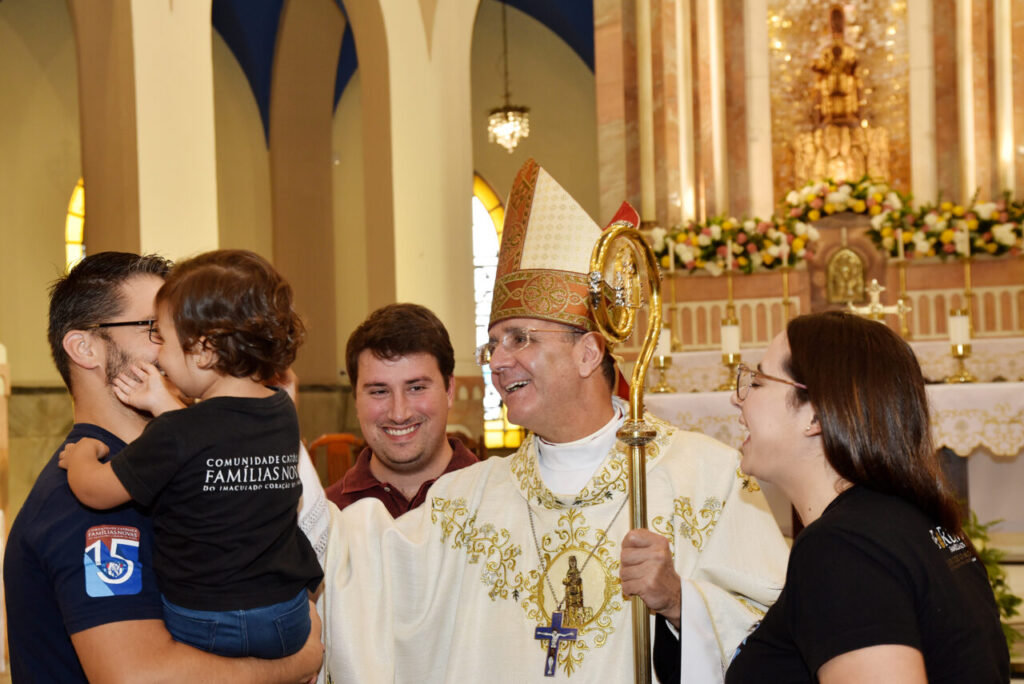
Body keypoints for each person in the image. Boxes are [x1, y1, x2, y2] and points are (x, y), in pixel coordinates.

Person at [318, 159, 788, 682]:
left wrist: (679, 604)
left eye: (520, 338)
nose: (497, 361)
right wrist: (268, 441)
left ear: (588, 353)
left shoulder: (711, 478)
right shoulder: (463, 500)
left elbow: (776, 636)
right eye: (493, 343)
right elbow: (363, 574)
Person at [4, 251, 323, 682]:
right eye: (155, 327)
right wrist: (295, 662)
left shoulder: (193, 458)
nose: (187, 342)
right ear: (85, 348)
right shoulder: (86, 503)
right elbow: (139, 677)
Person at [725, 311, 1009, 683]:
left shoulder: (843, 547)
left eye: (758, 382)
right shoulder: (914, 521)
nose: (736, 398)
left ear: (816, 416)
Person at [325, 303, 478, 515]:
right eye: (379, 391)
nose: (399, 414)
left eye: (416, 388)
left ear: (449, 390)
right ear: (356, 400)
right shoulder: (327, 517)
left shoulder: (499, 500)